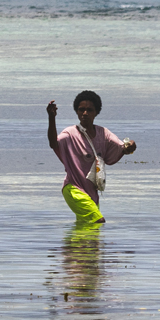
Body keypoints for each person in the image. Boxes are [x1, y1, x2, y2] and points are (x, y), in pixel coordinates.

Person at [47, 91, 135, 226]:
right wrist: (51, 118)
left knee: (87, 231)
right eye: (81, 109)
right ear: (76, 111)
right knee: (98, 221)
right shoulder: (70, 134)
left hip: (91, 192)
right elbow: (54, 143)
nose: (85, 113)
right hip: (74, 189)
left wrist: (130, 147)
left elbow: (121, 147)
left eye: (89, 110)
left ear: (96, 112)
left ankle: (73, 247)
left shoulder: (103, 134)